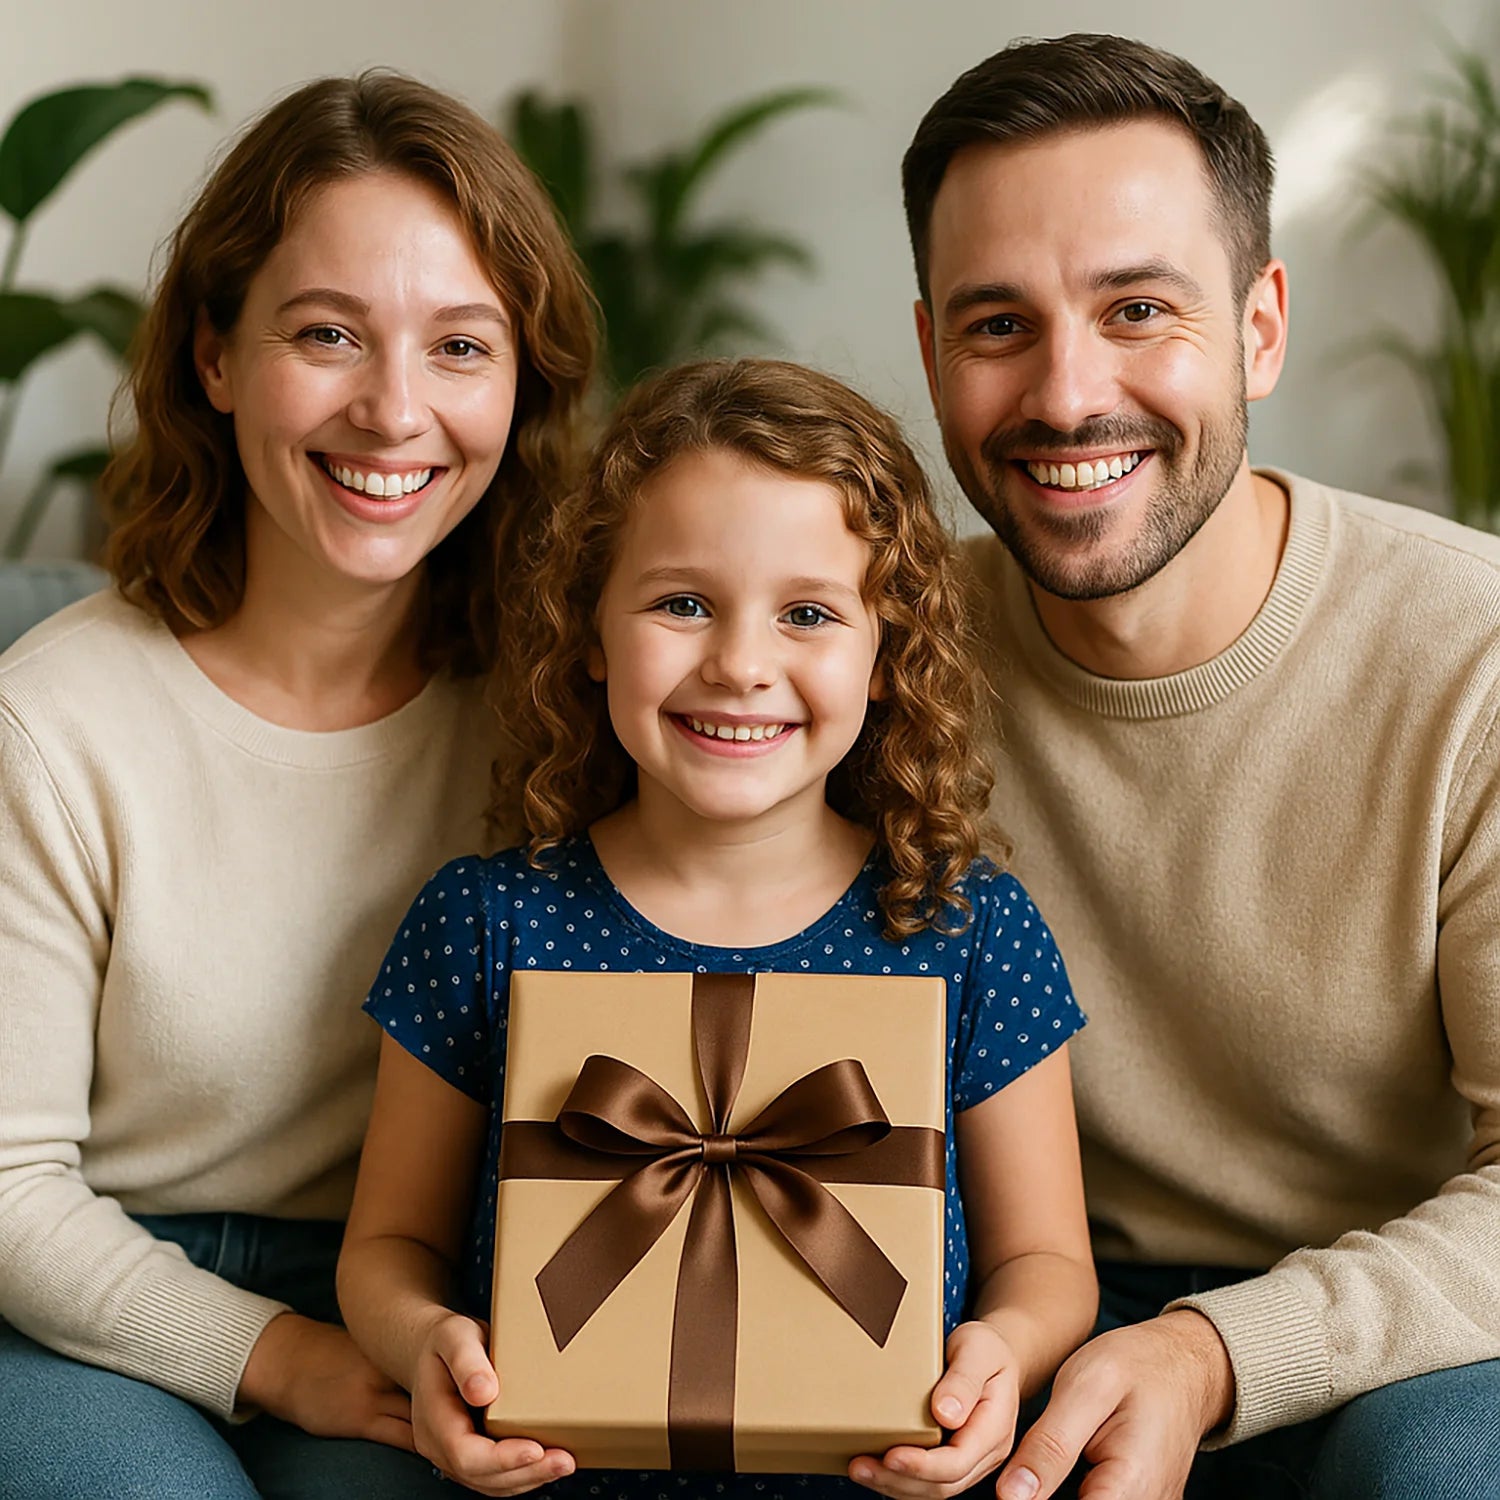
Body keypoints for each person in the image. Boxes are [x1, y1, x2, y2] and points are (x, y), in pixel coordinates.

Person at [901, 31, 1500, 1500]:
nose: (1064, 393)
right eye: (998, 327)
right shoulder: (872, 657)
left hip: (1386, 1330)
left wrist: (1213, 1351)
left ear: (1260, 326)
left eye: (1138, 310)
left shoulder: (1472, 654)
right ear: (928, 351)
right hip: (999, 1324)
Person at [336, 357, 1098, 1499]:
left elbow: (1048, 1263)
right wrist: (422, 1346)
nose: (741, 665)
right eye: (681, 602)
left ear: (886, 654)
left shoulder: (966, 928)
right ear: (590, 631)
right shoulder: (486, 921)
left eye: (807, 614)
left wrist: (1004, 1357)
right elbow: (385, 1249)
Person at [0, 71, 594, 1500]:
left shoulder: (565, 704)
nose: (395, 413)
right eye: (328, 335)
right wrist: (277, 1351)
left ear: (522, 386)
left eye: (462, 346)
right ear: (214, 356)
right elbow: (7, 1189)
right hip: (84, 1300)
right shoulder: (55, 715)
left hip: (433, 1303)